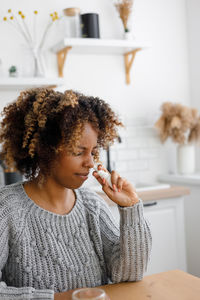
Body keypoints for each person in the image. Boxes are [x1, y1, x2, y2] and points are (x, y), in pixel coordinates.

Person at [0, 88, 152, 300]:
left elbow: (129, 275)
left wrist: (131, 207)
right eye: (78, 152)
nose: (90, 163)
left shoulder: (92, 206)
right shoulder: (6, 209)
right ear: (45, 150)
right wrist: (59, 298)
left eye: (92, 152)